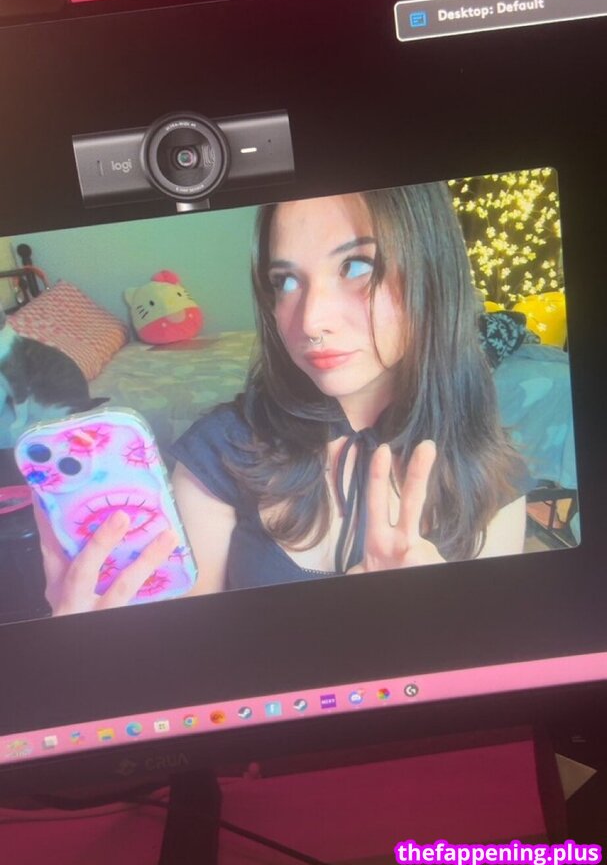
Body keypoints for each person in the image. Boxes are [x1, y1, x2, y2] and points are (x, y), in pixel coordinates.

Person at [34, 183, 528, 614]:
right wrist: (101, 649)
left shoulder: (492, 472)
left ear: (433, 270)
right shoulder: (219, 452)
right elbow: (189, 658)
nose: (310, 321)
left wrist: (437, 623)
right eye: (285, 282)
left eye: (357, 266)